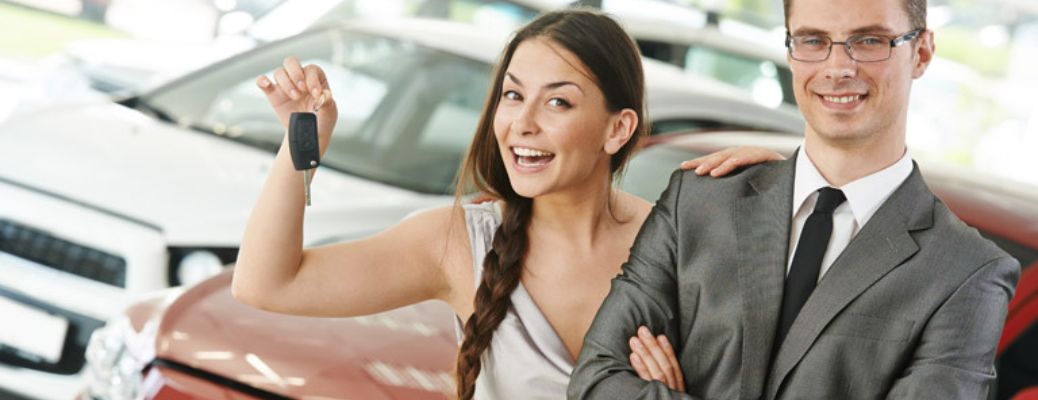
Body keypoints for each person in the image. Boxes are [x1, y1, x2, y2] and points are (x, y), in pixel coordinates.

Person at [231, 9, 782, 400]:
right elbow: (266, 283)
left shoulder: (684, 244)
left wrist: (792, 184)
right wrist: (302, 144)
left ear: (618, 129)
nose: (522, 122)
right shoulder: (456, 244)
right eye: (513, 95)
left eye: (558, 101)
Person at [568, 0, 1021, 398]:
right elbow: (596, 381)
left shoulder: (966, 273)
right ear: (789, 50)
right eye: (812, 40)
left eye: (867, 41)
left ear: (921, 51)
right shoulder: (698, 202)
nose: (838, 67)